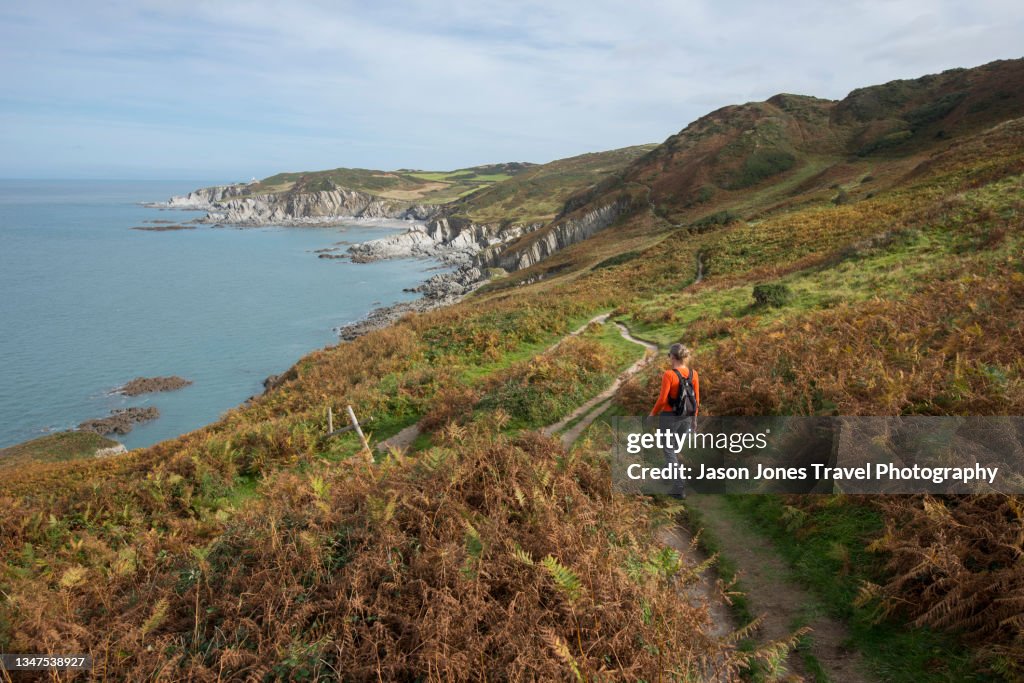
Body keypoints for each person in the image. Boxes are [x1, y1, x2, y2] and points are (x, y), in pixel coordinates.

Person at [649, 343, 700, 498]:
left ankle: (679, 486)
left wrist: (652, 414)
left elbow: (662, 400)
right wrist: (694, 419)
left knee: (669, 450)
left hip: (669, 418)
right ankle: (666, 476)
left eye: (669, 356)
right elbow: (696, 399)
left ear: (672, 356)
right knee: (674, 449)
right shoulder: (693, 374)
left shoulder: (669, 375)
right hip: (686, 417)